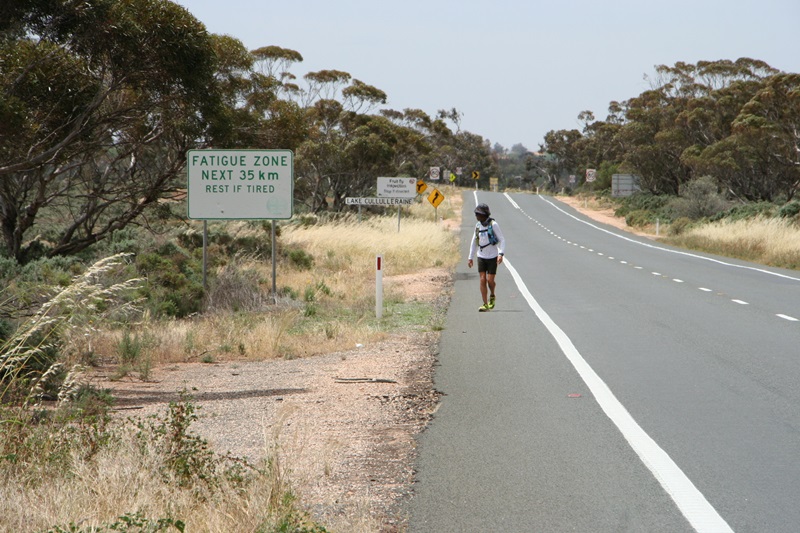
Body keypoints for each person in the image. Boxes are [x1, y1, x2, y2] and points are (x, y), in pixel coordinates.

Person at [467, 203, 505, 312]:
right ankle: (485, 304)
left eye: (479, 214)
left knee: (490, 280)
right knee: (482, 279)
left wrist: (500, 254)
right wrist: (470, 257)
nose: (477, 216)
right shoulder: (478, 226)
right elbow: (474, 241)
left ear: (485, 215)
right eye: (476, 214)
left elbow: (502, 240)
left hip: (492, 256)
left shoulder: (493, 225)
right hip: (481, 256)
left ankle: (492, 295)